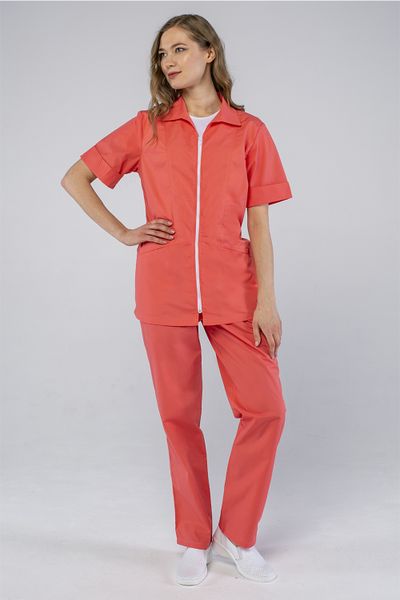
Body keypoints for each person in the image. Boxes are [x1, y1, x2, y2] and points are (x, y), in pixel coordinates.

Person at [61, 13, 293, 587]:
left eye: (181, 49)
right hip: (163, 291)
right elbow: (75, 178)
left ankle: (237, 534)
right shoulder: (148, 127)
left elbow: (260, 225)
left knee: (266, 409)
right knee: (179, 418)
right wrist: (124, 232)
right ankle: (193, 538)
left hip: (235, 291)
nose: (169, 61)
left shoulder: (249, 130)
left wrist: (267, 301)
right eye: (162, 53)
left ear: (210, 52)